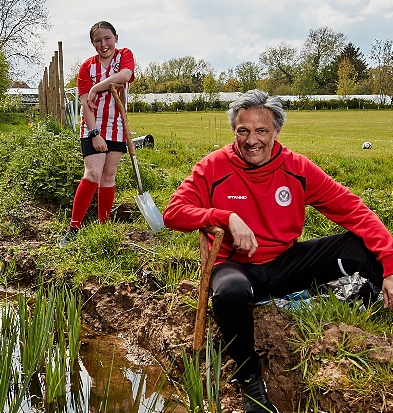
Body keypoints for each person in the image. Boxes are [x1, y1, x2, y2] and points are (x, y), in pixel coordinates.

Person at [163, 89, 393, 413]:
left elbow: (355, 210)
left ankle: (374, 295)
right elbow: (173, 212)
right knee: (228, 293)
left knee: (359, 246)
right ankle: (251, 381)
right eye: (243, 130)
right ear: (234, 131)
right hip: (238, 269)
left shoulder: (296, 168)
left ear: (276, 132)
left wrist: (390, 266)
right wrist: (224, 217)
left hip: (286, 264)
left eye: (261, 131)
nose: (251, 140)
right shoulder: (213, 167)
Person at [59, 21, 135, 247]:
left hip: (118, 124)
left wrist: (96, 87)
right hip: (94, 125)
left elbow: (126, 74)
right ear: (93, 44)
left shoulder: (124, 56)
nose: (104, 44)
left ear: (116, 38)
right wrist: (94, 134)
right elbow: (85, 104)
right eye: (98, 40)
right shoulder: (86, 68)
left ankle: (104, 227)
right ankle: (74, 227)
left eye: (107, 39)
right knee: (93, 173)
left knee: (108, 176)